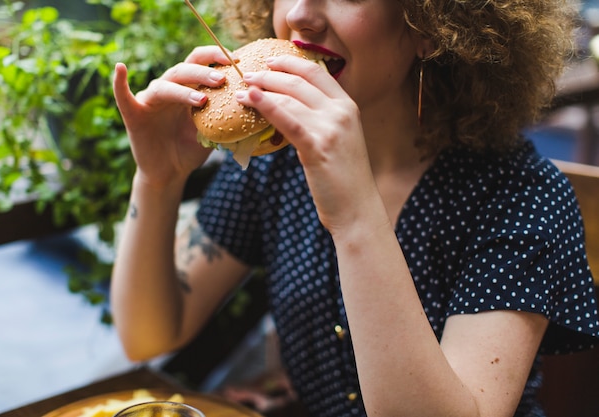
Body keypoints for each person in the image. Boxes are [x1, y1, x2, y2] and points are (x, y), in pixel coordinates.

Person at [110, 0, 599, 416]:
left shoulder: (521, 196)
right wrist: (158, 179)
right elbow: (150, 334)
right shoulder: (276, 159)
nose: (301, 15)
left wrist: (355, 216)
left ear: (428, 25)